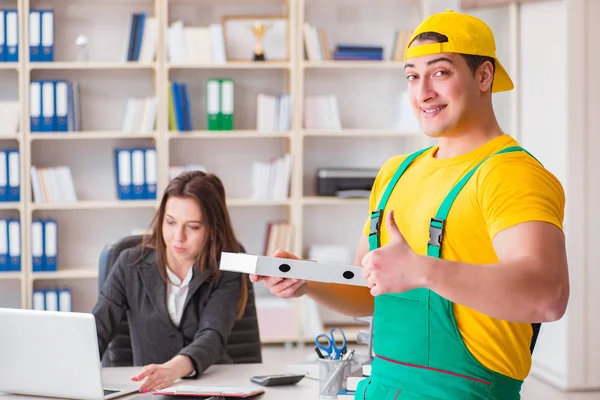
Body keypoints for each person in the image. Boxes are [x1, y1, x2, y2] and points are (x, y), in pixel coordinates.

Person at [250, 9, 569, 400]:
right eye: (412, 76)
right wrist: (307, 280)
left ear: (484, 76)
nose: (423, 93)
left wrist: (423, 270)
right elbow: (369, 291)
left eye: (440, 72)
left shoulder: (509, 173)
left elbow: (547, 295)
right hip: (383, 388)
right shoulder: (395, 174)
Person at [92, 171, 248, 393]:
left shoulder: (227, 268)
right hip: (147, 391)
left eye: (192, 227)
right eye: (170, 222)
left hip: (211, 389)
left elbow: (212, 336)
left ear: (213, 229)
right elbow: (97, 330)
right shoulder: (129, 264)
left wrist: (173, 370)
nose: (178, 237)